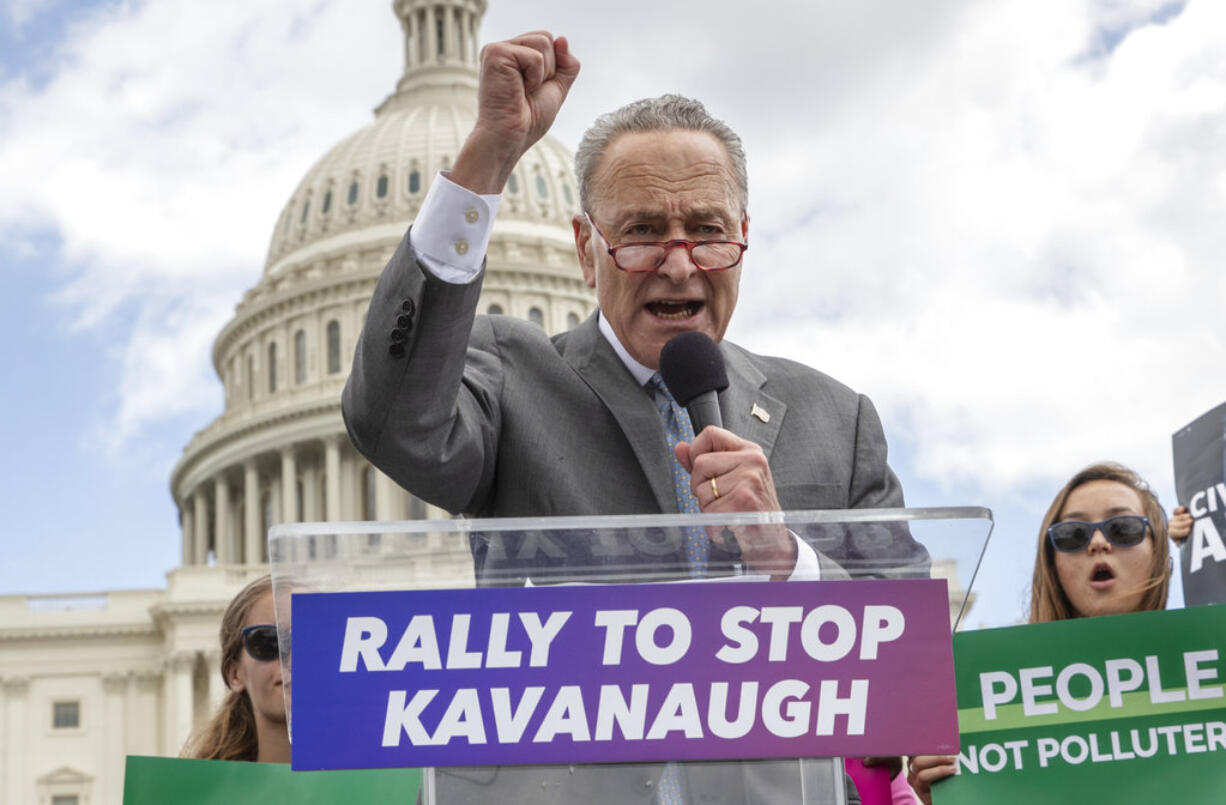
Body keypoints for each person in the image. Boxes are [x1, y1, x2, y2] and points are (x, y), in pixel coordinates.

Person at [340, 30, 925, 804]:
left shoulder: (835, 419)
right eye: (644, 232)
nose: (680, 263)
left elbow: (916, 666)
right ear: (586, 251)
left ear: (742, 241)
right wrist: (489, 156)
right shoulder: (514, 378)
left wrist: (788, 560)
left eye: (707, 231)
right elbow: (391, 421)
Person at [906, 462, 1192, 803]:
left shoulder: (1209, 672)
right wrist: (940, 794)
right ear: (1052, 563)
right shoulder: (982, 694)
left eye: (1123, 528)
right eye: (1073, 534)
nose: (1098, 542)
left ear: (1158, 550)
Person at [182, 575, 290, 763]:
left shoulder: (359, 784)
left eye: (312, 639)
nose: (291, 658)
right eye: (268, 641)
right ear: (235, 674)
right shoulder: (196, 790)